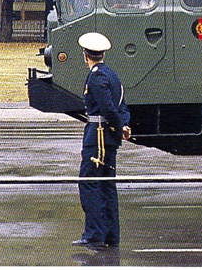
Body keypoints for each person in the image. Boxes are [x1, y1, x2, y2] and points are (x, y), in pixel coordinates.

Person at [72, 32, 131, 250]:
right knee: (107, 185)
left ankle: (94, 233)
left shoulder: (96, 77)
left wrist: (118, 125)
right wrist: (123, 124)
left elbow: (107, 107)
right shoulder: (111, 75)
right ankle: (110, 234)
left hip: (97, 135)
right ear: (103, 54)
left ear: (85, 55)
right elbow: (122, 105)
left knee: (89, 183)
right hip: (109, 136)